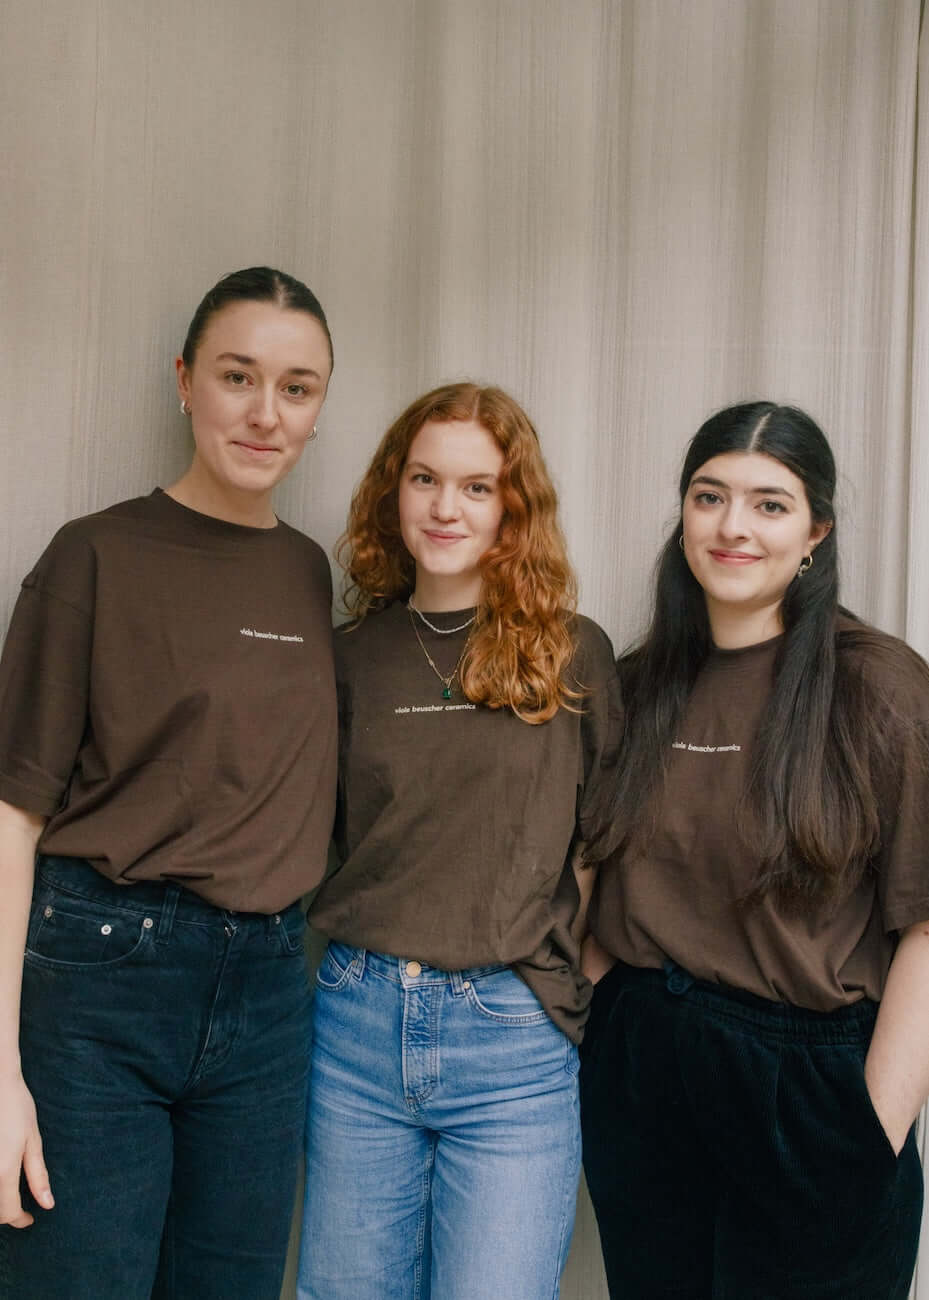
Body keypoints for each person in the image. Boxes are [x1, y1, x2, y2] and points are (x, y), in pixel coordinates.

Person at [0, 267, 338, 1299]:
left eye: (297, 386)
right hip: (99, 982)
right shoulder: (92, 555)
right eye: (238, 375)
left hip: (271, 992)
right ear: (185, 381)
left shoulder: (311, 571)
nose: (263, 412)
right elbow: (12, 816)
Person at [581, 401, 929, 1300]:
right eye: (709, 496)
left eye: (769, 504)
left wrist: (872, 1130)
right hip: (645, 1069)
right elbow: (591, 879)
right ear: (683, 516)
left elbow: (927, 927)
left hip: (808, 1091)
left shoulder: (877, 687)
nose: (733, 526)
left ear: (815, 532)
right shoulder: (636, 685)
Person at [296, 382, 619, 1300]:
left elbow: (600, 843)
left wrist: (556, 981)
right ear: (391, 492)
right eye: (425, 479)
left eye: (478, 488)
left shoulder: (571, 654)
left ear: (514, 509)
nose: (446, 507)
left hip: (513, 1039)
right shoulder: (349, 655)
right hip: (355, 1027)